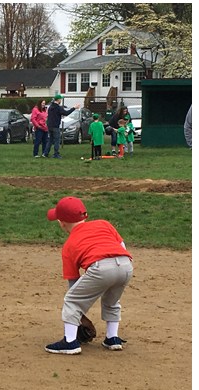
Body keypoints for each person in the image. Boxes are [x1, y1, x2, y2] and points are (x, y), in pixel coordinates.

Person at [43, 196, 133, 355]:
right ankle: (112, 338)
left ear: (61, 223)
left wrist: (80, 313)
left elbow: (73, 282)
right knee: (112, 300)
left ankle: (70, 342)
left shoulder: (69, 246)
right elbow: (122, 246)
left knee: (71, 300)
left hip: (100, 268)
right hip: (126, 264)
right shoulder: (104, 224)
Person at [46, 94, 80, 159]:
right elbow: (66, 113)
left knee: (50, 139)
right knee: (57, 140)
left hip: (49, 125)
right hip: (55, 125)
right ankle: (56, 154)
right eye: (60, 99)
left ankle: (46, 153)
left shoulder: (50, 107)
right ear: (58, 100)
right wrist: (74, 108)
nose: (61, 100)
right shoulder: (58, 108)